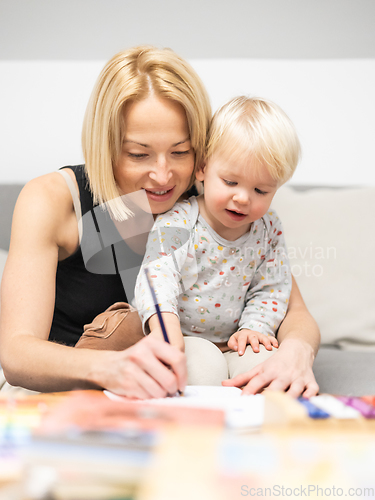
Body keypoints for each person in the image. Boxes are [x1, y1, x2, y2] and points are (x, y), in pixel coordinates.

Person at [0, 45, 320, 398]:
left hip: (162, 396)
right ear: (104, 146)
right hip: (59, 390)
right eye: (139, 154)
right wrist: (113, 367)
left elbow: (293, 310)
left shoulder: (210, 199)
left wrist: (297, 353)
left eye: (181, 151)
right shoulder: (53, 200)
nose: (164, 175)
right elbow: (17, 354)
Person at [134, 96, 302, 387]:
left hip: (236, 339)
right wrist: (166, 328)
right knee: (201, 370)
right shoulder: (180, 220)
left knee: (264, 371)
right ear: (202, 168)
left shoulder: (268, 228)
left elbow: (273, 287)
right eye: (231, 182)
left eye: (261, 190)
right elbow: (158, 276)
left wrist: (255, 327)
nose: (243, 198)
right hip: (181, 336)